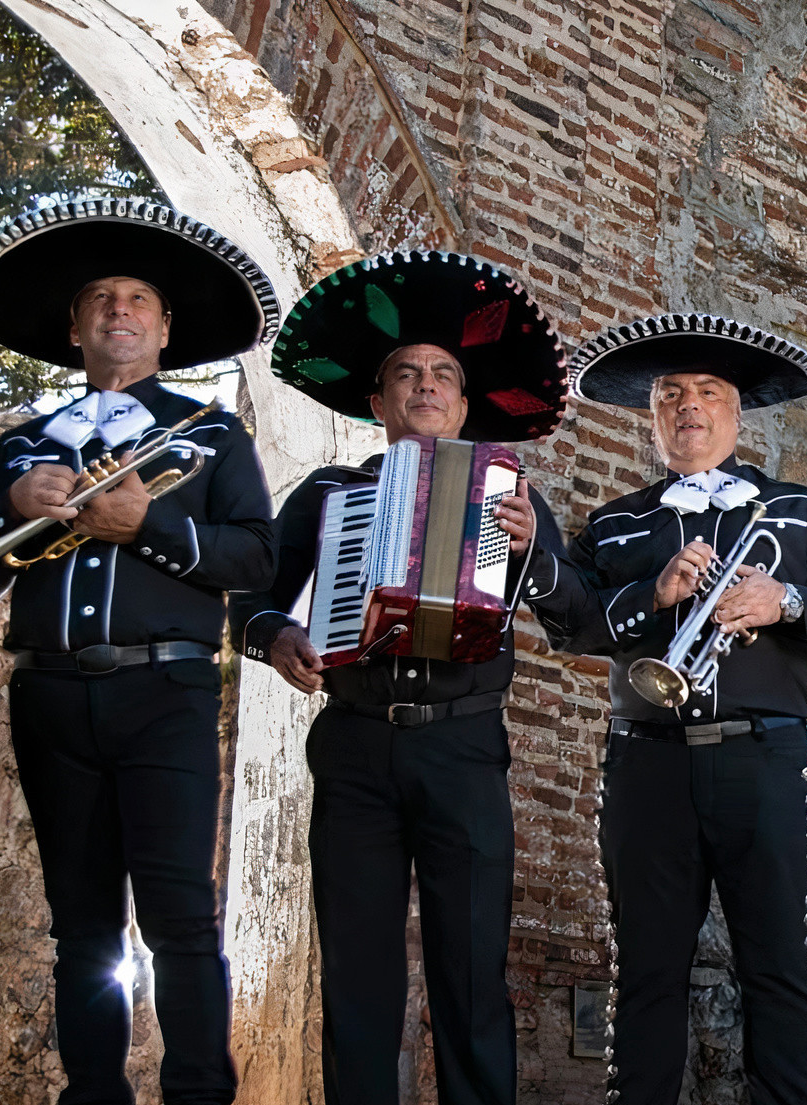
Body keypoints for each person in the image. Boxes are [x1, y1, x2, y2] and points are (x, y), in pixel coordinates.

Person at [0, 198, 280, 1105]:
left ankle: (200, 1092)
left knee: (180, 915)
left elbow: (256, 554)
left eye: (137, 299)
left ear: (165, 328)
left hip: (165, 690)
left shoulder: (211, 434)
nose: (118, 312)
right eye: (101, 299)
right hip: (48, 699)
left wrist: (150, 522)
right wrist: (14, 506)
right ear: (75, 326)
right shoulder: (25, 444)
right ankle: (92, 1093)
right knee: (81, 927)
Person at [230, 250, 580, 1105]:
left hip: (462, 748)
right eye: (406, 374)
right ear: (379, 402)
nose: (426, 385)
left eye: (443, 375)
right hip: (352, 749)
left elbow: (570, 614)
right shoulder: (331, 494)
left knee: (471, 977)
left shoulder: (510, 494)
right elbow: (251, 601)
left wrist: (531, 547)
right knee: (357, 980)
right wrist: (277, 635)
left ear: (464, 403)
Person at [533, 313, 807, 1105]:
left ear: (736, 410)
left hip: (764, 758)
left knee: (780, 966)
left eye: (708, 391)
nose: (689, 406)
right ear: (653, 414)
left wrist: (784, 597)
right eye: (671, 394)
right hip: (646, 758)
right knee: (647, 969)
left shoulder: (795, 510)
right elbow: (572, 628)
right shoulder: (619, 522)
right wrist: (654, 592)